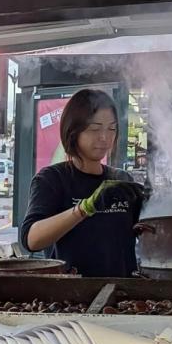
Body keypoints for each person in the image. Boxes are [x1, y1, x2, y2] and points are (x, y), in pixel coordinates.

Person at [20, 89, 148, 278]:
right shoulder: (52, 179)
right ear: (73, 131)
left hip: (123, 294)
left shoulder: (121, 180)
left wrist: (150, 213)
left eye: (111, 129)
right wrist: (85, 208)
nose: (104, 137)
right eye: (95, 129)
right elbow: (31, 239)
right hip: (72, 297)